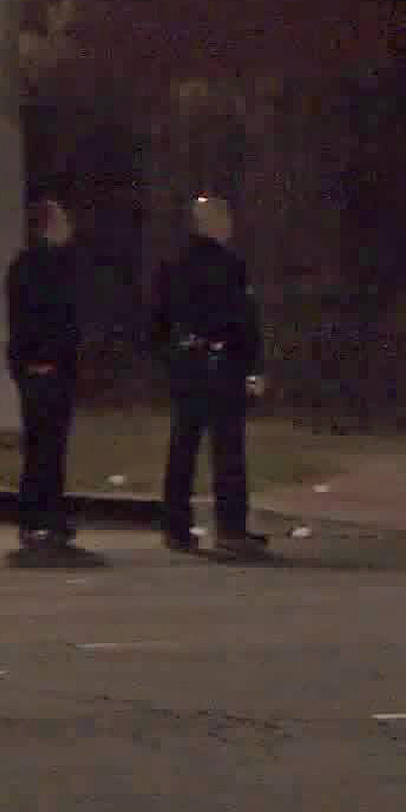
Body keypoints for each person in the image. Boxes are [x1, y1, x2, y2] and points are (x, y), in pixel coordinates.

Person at [148, 196, 269, 555]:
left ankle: (176, 526)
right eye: (223, 217)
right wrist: (254, 367)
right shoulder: (230, 266)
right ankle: (230, 528)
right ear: (209, 223)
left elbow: (158, 320)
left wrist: (169, 358)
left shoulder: (173, 266)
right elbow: (245, 322)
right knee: (227, 448)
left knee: (183, 446)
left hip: (188, 363)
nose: (229, 224)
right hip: (223, 363)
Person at [8, 199, 86, 556]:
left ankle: (46, 515)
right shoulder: (36, 267)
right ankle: (38, 516)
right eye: (63, 220)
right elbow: (33, 320)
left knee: (49, 446)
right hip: (44, 367)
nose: (69, 226)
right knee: (44, 445)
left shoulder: (47, 265)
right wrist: (39, 361)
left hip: (51, 366)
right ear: (48, 225)